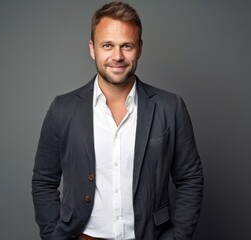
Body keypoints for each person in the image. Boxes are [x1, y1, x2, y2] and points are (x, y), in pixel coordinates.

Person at [32, 1, 203, 239]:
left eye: (127, 46)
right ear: (93, 49)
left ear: (140, 48)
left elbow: (190, 179)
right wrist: (53, 236)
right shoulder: (62, 109)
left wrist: (178, 237)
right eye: (107, 45)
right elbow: (43, 180)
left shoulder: (170, 107)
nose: (117, 56)